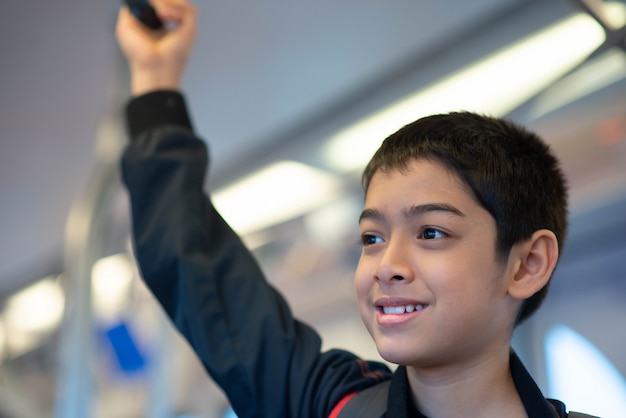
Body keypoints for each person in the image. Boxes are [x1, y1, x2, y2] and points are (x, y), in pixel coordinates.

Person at [115, 1, 595, 417]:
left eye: (431, 233)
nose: (387, 266)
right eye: (372, 238)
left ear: (527, 264)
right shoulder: (332, 404)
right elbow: (199, 271)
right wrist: (157, 82)